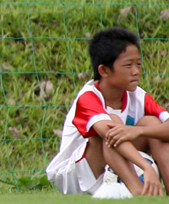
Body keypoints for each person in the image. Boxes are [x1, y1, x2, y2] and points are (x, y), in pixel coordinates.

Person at [46, 27, 169, 197]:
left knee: (152, 124)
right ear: (104, 70)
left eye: (138, 64)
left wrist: (138, 130)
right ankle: (139, 192)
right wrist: (146, 167)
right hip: (77, 176)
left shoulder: (138, 96)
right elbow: (108, 132)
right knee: (112, 125)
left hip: (114, 164)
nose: (136, 71)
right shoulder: (88, 97)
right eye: (128, 65)